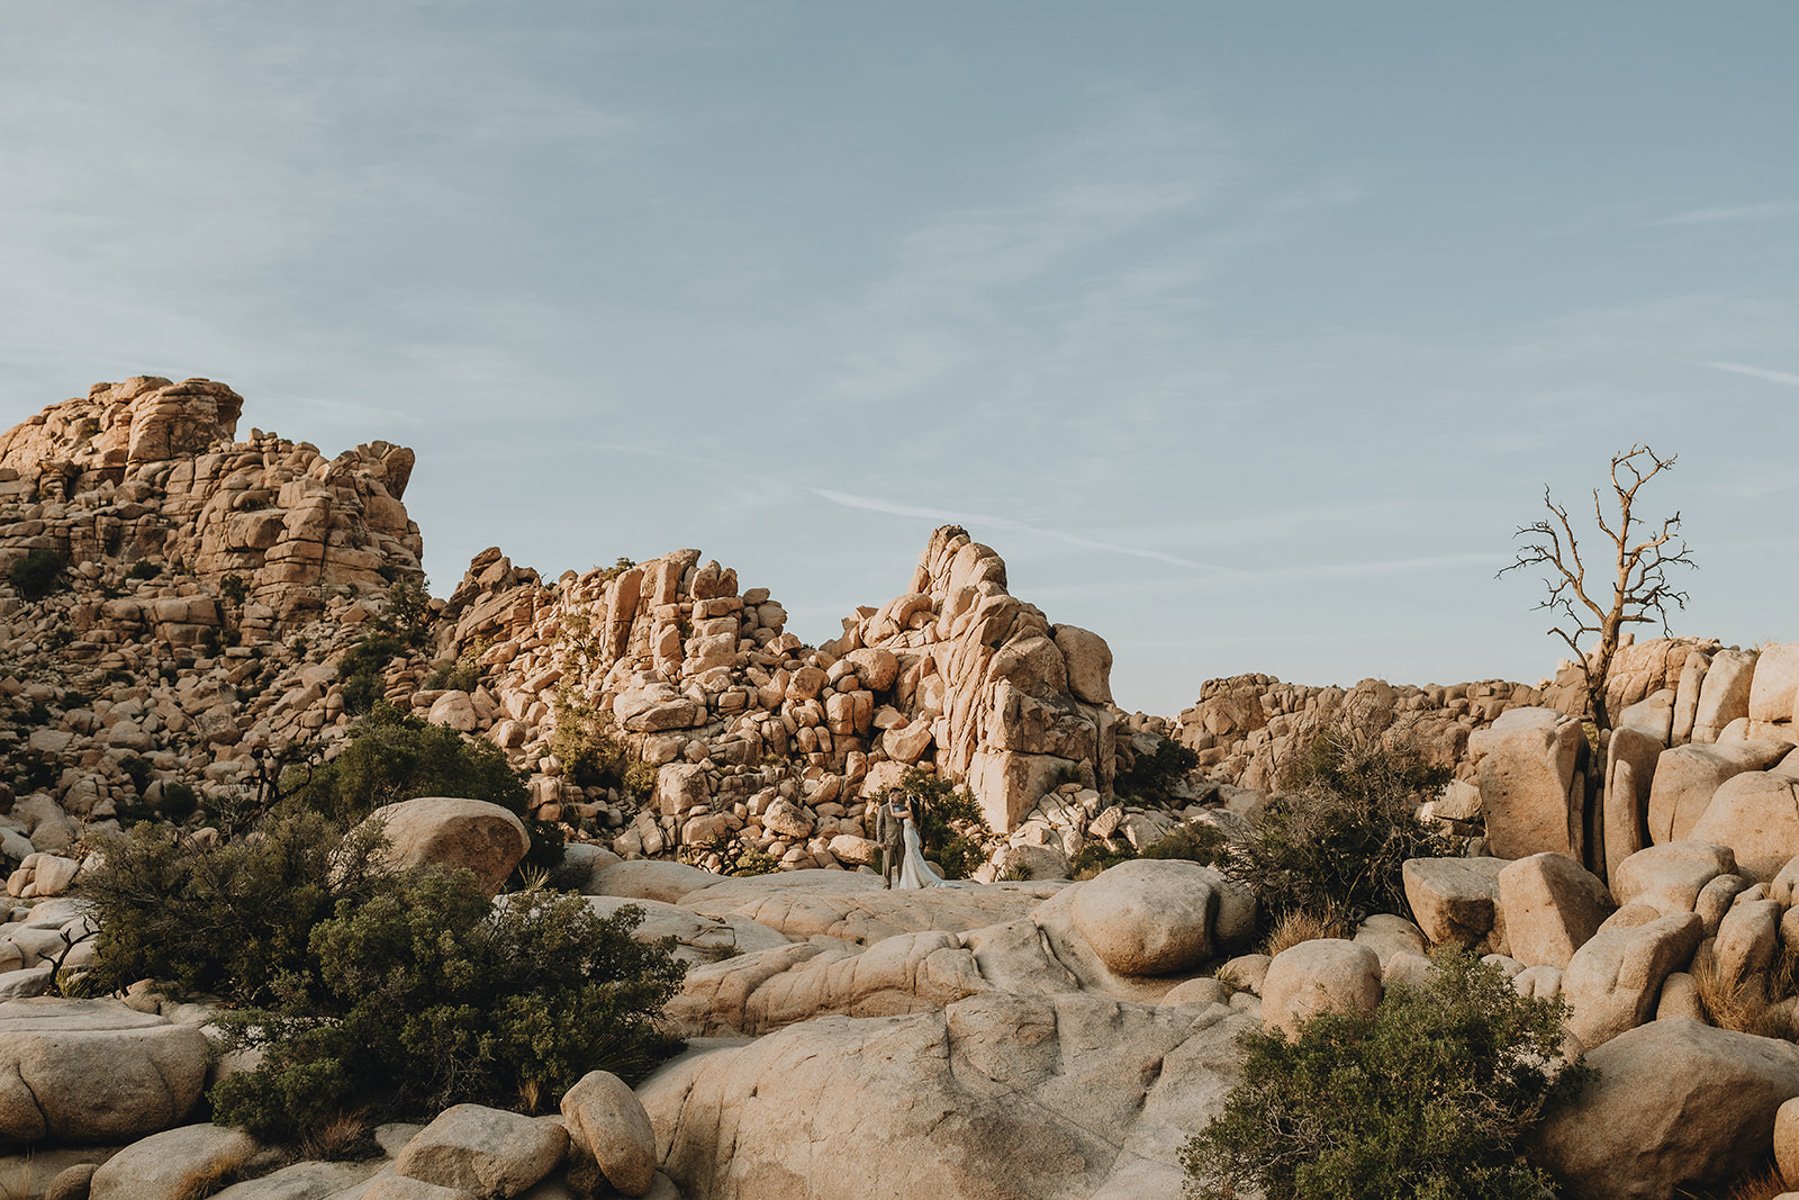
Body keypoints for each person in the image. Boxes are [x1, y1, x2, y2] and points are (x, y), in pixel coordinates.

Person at [896, 797, 946, 889]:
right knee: (912, 856)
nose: (905, 801)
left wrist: (890, 803)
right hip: (911, 835)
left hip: (910, 836)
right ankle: (916, 879)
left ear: (911, 803)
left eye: (907, 800)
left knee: (911, 855)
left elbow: (894, 814)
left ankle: (916, 881)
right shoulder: (914, 814)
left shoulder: (908, 813)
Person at [874, 795, 908, 889]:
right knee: (887, 863)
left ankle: (902, 883)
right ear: (892, 796)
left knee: (901, 863)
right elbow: (879, 826)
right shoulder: (883, 808)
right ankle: (886, 884)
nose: (899, 797)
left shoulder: (903, 808)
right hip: (889, 839)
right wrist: (880, 841)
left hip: (901, 839)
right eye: (897, 795)